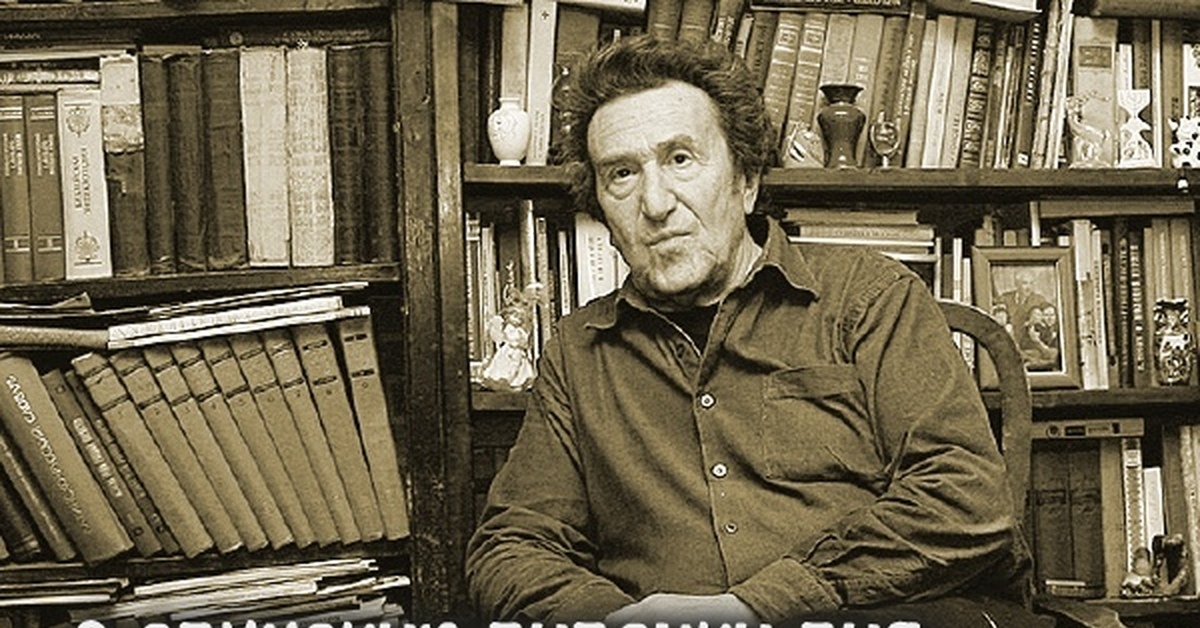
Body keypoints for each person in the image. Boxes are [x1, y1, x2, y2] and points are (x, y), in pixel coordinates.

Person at [466, 35, 1044, 627]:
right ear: (602, 211)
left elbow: (965, 497)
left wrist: (754, 607)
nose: (655, 203)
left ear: (745, 181)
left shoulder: (869, 296)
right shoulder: (578, 349)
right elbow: (511, 547)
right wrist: (621, 619)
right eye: (621, 174)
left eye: (680, 159)